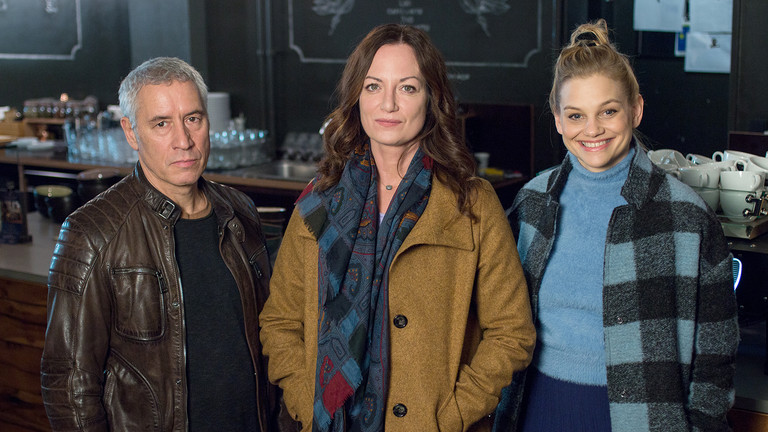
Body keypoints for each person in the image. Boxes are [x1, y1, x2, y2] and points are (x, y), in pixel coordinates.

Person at [259, 23, 536, 432]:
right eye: (373, 86)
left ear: (431, 99)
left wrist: (451, 415)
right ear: (356, 97)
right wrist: (307, 401)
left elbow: (512, 333)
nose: (388, 104)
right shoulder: (318, 203)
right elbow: (279, 323)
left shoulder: (472, 203)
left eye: (407, 87)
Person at [493, 19, 739, 432]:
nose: (592, 129)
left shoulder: (685, 216)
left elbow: (716, 353)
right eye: (576, 115)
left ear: (635, 109)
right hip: (536, 410)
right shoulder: (532, 203)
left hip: (645, 418)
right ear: (558, 119)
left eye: (608, 111)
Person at [40, 57, 284, 431]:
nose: (184, 141)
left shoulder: (240, 211)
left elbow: (273, 341)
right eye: (161, 124)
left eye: (193, 119)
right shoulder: (92, 232)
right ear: (131, 132)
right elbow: (69, 384)